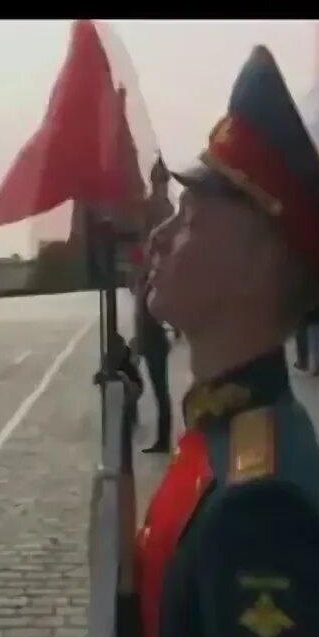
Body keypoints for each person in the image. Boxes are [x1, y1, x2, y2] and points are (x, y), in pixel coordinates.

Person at [57, 45, 319, 637]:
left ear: (260, 262)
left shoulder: (263, 507)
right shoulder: (224, 434)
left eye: (191, 218)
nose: (161, 236)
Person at [133, 157, 175, 454]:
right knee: (156, 386)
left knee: (159, 388)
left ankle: (163, 438)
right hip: (150, 330)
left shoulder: (158, 208)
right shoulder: (166, 207)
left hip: (153, 334)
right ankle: (160, 435)